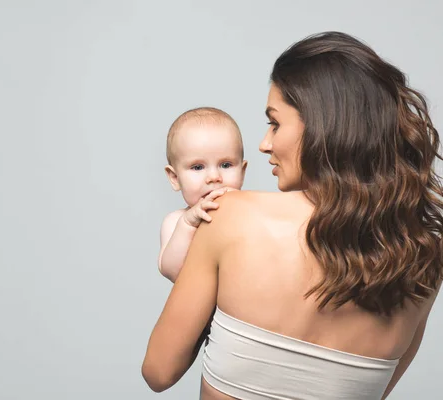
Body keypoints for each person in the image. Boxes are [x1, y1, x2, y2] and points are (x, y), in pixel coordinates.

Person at [142, 31, 443, 400]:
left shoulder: (231, 216)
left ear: (322, 125)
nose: (264, 144)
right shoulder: (425, 258)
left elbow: (159, 371)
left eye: (275, 123)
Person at [159, 107, 247, 283]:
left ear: (242, 172)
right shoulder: (177, 221)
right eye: (198, 167)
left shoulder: (250, 213)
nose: (214, 177)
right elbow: (173, 272)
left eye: (226, 165)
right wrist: (188, 224)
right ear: (175, 178)